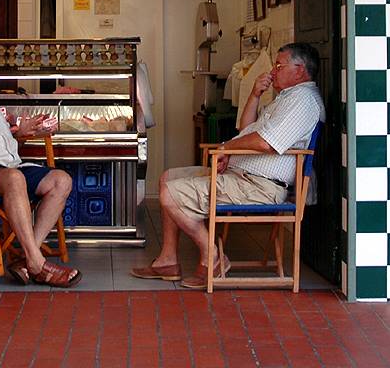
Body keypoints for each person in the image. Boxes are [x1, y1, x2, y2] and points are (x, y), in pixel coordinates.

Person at [132, 42, 325, 289]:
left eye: (279, 65)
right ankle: (167, 260)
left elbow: (267, 142)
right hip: (243, 176)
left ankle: (212, 255)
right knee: (168, 178)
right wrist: (255, 94)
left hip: (260, 187)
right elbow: (245, 130)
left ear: (300, 70)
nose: (273, 71)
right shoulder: (286, 99)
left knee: (171, 193)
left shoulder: (303, 100)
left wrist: (225, 149)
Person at [0, 69, 82, 287]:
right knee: (15, 178)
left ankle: (29, 259)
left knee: (62, 180)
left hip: (12, 164)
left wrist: (20, 133)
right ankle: (37, 262)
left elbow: (6, 141)